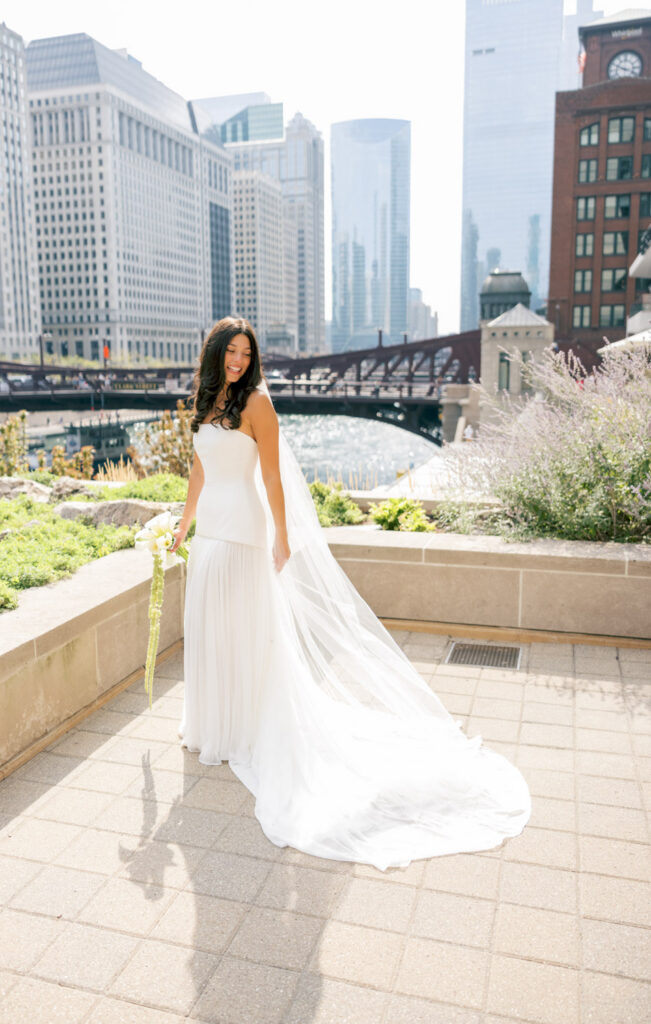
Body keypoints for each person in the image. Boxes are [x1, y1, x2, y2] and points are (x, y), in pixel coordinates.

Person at [171, 317, 530, 870]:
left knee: (243, 629)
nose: (239, 361)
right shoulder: (203, 400)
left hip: (244, 529)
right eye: (231, 352)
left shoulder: (257, 405)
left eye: (246, 353)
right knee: (210, 628)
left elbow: (270, 479)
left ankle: (241, 727)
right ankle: (212, 721)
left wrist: (283, 537)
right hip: (210, 532)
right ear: (215, 353)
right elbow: (200, 468)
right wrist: (182, 523)